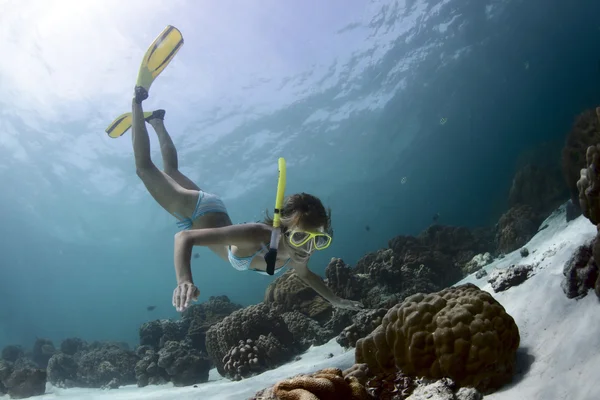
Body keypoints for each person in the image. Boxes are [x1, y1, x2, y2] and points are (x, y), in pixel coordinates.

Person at [107, 26, 363, 313]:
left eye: (319, 239)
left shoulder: (297, 247)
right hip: (196, 212)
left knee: (170, 169)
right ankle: (138, 99)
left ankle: (156, 121)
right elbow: (185, 237)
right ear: (283, 228)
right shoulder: (257, 235)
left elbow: (305, 275)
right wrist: (184, 280)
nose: (309, 248)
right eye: (303, 237)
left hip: (212, 208)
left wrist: (337, 300)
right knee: (144, 168)